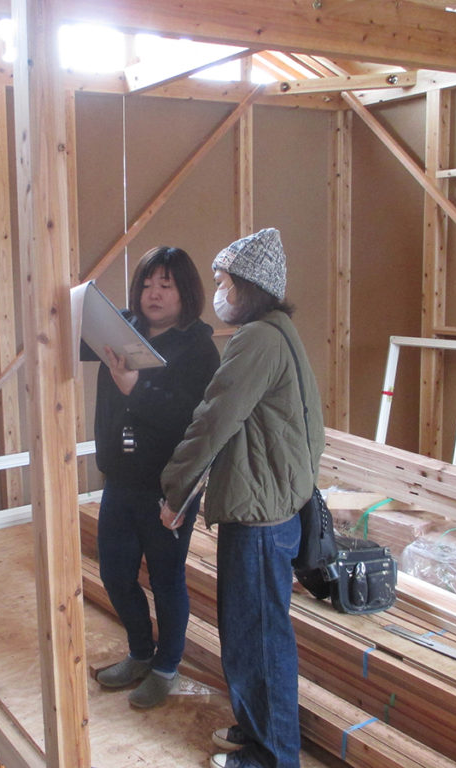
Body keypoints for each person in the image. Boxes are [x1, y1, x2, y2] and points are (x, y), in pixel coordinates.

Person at [159, 228, 323, 768]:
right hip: (275, 509)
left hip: (258, 522)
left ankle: (271, 755)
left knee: (258, 639)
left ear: (249, 285)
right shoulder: (281, 333)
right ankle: (258, 728)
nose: (219, 292)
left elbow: (213, 421)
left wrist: (175, 489)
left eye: (223, 281)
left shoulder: (256, 341)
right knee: (255, 632)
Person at [85, 246, 220, 708]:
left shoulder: (199, 348)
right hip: (120, 478)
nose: (153, 294)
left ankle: (166, 668)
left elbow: (192, 418)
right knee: (115, 572)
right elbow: (68, 335)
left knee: (166, 578)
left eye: (166, 284)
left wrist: (135, 388)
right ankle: (141, 653)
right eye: (146, 284)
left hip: (169, 486)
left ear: (185, 292)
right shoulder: (123, 331)